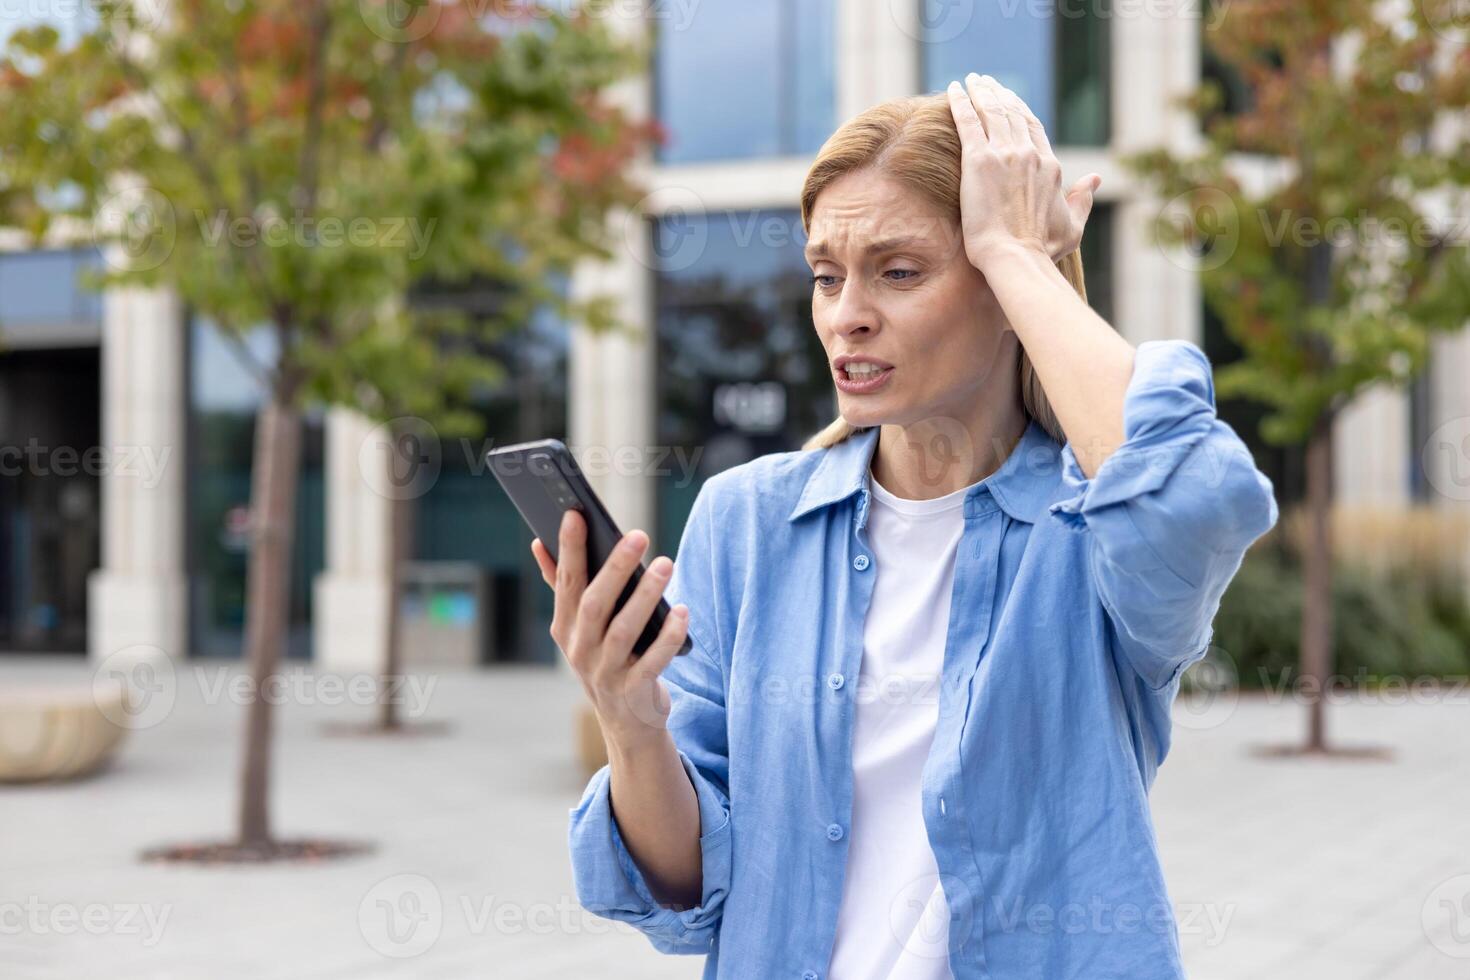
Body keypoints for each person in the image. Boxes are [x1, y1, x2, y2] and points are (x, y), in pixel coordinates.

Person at [533, 73, 1278, 979]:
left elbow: (1197, 493)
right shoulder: (747, 523)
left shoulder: (1091, 526)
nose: (847, 315)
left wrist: (1014, 252)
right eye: (825, 276)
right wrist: (630, 722)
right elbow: (686, 889)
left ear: (1006, 290)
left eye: (900, 271)